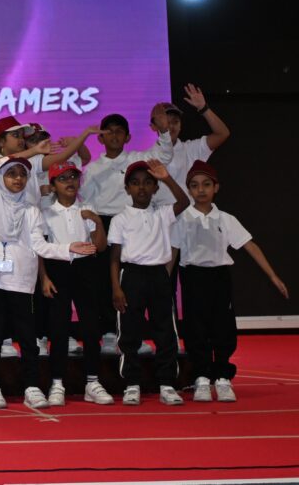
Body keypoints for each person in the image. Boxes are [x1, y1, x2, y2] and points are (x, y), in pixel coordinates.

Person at [0, 157, 96, 410]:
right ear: (0, 178)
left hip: (23, 281)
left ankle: (31, 385)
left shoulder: (31, 211)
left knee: (28, 338)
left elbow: (39, 246)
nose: (17, 179)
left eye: (22, 174)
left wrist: (68, 248)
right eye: (11, 174)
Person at [173, 160, 288, 403]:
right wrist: (164, 282)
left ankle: (222, 376)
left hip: (219, 277)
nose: (201, 190)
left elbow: (250, 246)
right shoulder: (182, 219)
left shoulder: (226, 219)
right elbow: (172, 253)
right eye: (194, 186)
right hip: (193, 277)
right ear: (189, 190)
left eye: (206, 184)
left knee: (223, 327)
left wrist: (273, 275)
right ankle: (202, 377)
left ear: (216, 187)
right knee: (196, 327)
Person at [81, 112, 173, 355]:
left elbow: (164, 155)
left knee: (132, 282)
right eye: (108, 131)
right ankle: (110, 333)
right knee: (104, 281)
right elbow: (88, 203)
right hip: (104, 223)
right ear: (100, 138)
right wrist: (94, 231)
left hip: (132, 221)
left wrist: (164, 131)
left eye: (119, 131)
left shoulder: (137, 159)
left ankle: (133, 333)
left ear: (128, 136)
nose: (114, 135)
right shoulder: (93, 169)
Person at [109, 159, 190, 406]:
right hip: (131, 276)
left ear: (155, 188)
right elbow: (113, 258)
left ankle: (166, 383)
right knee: (130, 332)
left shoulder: (163, 213)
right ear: (127, 189)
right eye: (135, 183)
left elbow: (184, 202)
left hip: (159, 276)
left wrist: (167, 177)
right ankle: (132, 383)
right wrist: (116, 288)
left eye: (147, 183)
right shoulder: (120, 219)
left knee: (165, 331)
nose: (141, 188)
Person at [38, 162, 114, 406]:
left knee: (91, 327)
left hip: (85, 268)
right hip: (58, 268)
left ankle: (92, 381)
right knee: (58, 328)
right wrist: (44, 278)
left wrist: (98, 222)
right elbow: (39, 249)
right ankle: (57, 382)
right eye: (62, 178)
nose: (69, 182)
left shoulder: (87, 208)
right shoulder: (46, 213)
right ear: (53, 186)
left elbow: (101, 247)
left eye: (73, 177)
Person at [150, 84, 230, 207]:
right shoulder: (147, 156)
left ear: (181, 125)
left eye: (175, 122)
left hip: (190, 217)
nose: (170, 127)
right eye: (165, 122)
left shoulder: (191, 149)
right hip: (161, 218)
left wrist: (203, 108)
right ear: (154, 126)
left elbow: (222, 133)